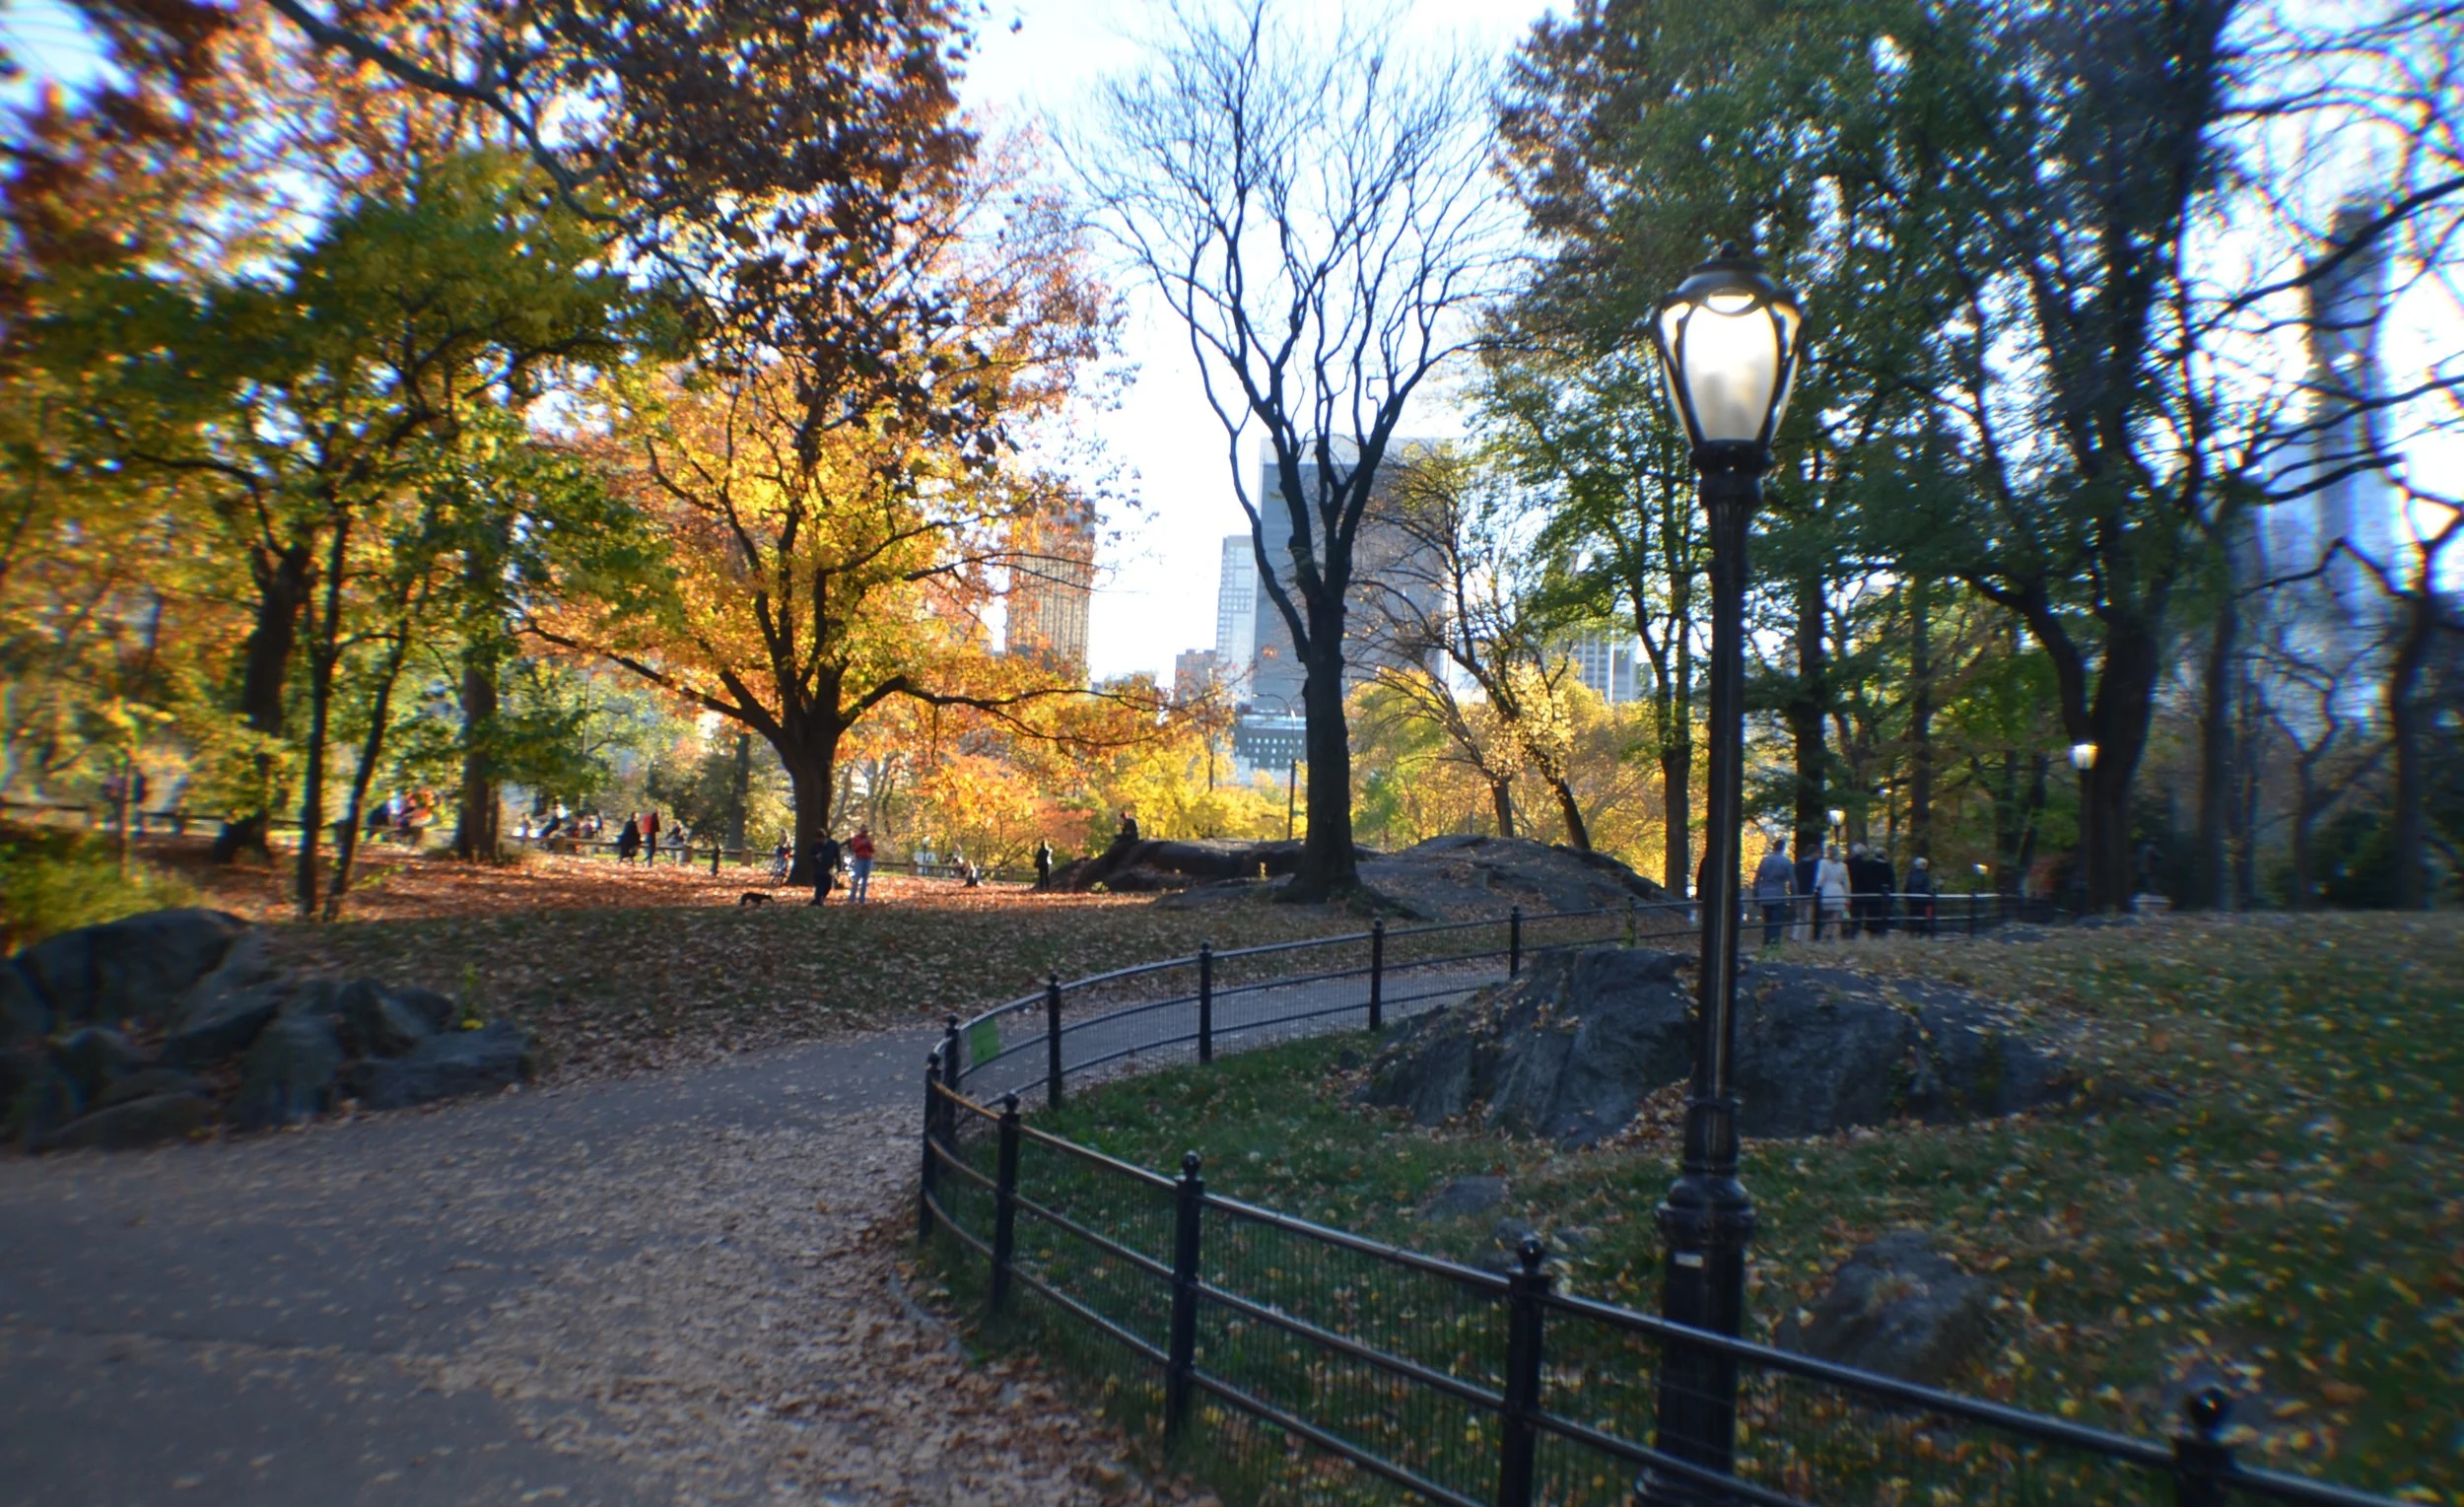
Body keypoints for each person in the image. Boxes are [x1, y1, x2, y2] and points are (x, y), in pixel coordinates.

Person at [1752, 838, 1796, 946]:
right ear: (1783, 848)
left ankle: (1766, 943)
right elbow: (1792, 881)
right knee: (1776, 921)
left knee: (1767, 921)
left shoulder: (1765, 860)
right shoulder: (1786, 862)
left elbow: (1757, 879)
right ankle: (1774, 944)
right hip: (1778, 894)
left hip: (1765, 894)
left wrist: (1756, 894)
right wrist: (1794, 897)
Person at [1814, 844, 1851, 939]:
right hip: (1839, 892)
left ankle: (1826, 934)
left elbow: (1820, 878)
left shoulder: (1823, 863)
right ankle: (1833, 936)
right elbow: (1846, 882)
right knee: (1836, 918)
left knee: (1826, 917)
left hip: (1827, 891)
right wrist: (1847, 896)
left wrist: (1816, 888)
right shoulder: (1843, 866)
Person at [1793, 842, 1821, 940]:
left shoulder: (1799, 864)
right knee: (1808, 915)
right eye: (1818, 853)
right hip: (1810, 892)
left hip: (1800, 891)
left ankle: (1796, 935)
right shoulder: (1815, 865)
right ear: (1814, 853)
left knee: (1800, 915)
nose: (1819, 855)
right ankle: (1805, 936)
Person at [1869, 848, 1899, 936]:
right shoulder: (1887, 866)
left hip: (1872, 894)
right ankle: (1882, 931)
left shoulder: (1870, 865)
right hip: (1884, 895)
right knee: (1884, 913)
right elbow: (1892, 882)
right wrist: (1893, 894)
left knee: (1873, 914)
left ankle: (1873, 932)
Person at [1904, 856, 1938, 935]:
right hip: (1922, 901)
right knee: (1922, 917)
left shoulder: (1911, 875)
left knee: (1913, 916)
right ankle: (1921, 933)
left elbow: (1907, 887)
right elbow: (1926, 888)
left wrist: (1908, 897)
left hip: (1912, 900)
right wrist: (1931, 894)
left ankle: (1912, 932)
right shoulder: (1924, 875)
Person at [810, 830, 842, 906]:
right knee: (819, 885)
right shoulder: (815, 845)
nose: (817, 841)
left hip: (829, 868)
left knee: (828, 886)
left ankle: (819, 899)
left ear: (822, 838)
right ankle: (818, 901)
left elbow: (837, 857)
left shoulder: (833, 844)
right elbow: (810, 855)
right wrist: (815, 857)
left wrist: (839, 868)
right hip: (819, 867)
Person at [849, 827, 875, 902]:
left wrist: (869, 844)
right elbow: (854, 849)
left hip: (868, 860)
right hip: (859, 860)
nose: (864, 833)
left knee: (865, 879)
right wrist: (861, 843)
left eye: (866, 832)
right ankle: (852, 897)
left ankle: (862, 898)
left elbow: (873, 850)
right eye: (863, 832)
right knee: (857, 878)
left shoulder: (869, 839)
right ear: (860, 831)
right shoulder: (856, 838)